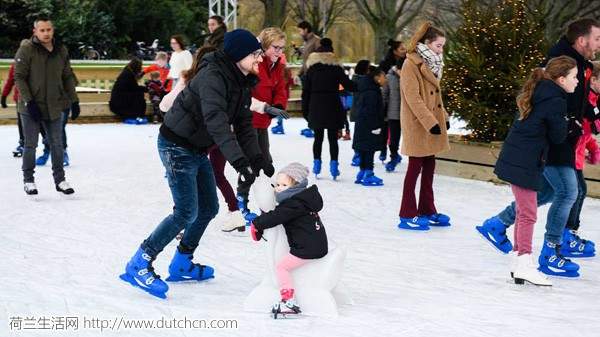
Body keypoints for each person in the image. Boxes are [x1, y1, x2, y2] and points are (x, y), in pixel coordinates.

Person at [121, 29, 274, 299]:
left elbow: (242, 124)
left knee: (208, 208)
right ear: (239, 55)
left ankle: (182, 262)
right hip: (176, 145)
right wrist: (238, 161)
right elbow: (216, 121)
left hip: (197, 147)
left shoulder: (240, 79)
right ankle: (139, 262)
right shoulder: (213, 77)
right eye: (255, 55)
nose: (260, 59)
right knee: (185, 212)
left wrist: (258, 160)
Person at [476, 19, 600, 276]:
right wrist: (572, 127)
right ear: (582, 40)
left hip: (563, 139)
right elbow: (553, 110)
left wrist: (589, 120)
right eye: (597, 39)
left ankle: (497, 224)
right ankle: (550, 252)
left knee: (547, 193)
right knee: (568, 191)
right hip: (554, 143)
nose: (599, 45)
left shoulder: (580, 65)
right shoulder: (561, 64)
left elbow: (577, 103)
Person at [494, 56, 576, 286]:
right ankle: (524, 263)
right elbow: (558, 137)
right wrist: (568, 122)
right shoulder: (555, 100)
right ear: (561, 79)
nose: (577, 82)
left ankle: (519, 261)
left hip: (519, 157)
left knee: (523, 211)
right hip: (524, 161)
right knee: (528, 213)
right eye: (574, 77)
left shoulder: (543, 91)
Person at [249, 162, 328, 316]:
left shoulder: (294, 204)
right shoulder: (303, 200)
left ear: (296, 186)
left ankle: (288, 301)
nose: (278, 188)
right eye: (277, 184)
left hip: (307, 249)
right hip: (315, 244)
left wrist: (256, 224)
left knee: (281, 267)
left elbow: (277, 216)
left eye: (283, 185)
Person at [14, 17, 78, 195]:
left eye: (49, 29)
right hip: (31, 106)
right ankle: (29, 180)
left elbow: (67, 76)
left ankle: (60, 180)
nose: (46, 33)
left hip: (54, 105)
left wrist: (74, 100)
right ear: (35, 31)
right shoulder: (26, 49)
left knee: (57, 144)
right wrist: (29, 101)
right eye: (42, 30)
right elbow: (19, 77)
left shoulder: (60, 50)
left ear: (53, 30)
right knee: (30, 144)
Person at [397, 22, 451, 231]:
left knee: (429, 167)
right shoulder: (411, 64)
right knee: (414, 169)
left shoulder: (433, 63)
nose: (441, 50)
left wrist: (443, 116)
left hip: (432, 122)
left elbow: (436, 96)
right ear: (426, 44)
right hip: (418, 124)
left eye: (442, 46)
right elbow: (413, 98)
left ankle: (427, 209)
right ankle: (407, 213)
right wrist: (430, 122)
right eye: (438, 46)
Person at [302, 38, 355, 180]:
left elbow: (305, 91)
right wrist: (363, 83)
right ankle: (334, 166)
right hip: (332, 104)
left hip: (316, 105)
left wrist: (305, 110)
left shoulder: (312, 69)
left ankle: (317, 164)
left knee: (318, 138)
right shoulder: (336, 68)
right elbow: (348, 85)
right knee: (333, 139)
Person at [564, 60, 600, 257]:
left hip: (576, 154)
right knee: (575, 192)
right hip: (569, 153)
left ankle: (569, 233)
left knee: (576, 191)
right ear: (593, 79)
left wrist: (593, 148)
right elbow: (585, 127)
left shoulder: (594, 99)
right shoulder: (586, 99)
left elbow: (588, 132)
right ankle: (566, 234)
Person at [353, 66, 387, 186]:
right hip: (369, 126)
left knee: (363, 149)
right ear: (377, 78)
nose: (385, 79)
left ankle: (362, 172)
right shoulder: (372, 92)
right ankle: (369, 174)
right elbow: (371, 110)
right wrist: (375, 126)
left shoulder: (366, 89)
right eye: (384, 77)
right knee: (369, 150)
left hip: (361, 125)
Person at [297, 21, 321, 138]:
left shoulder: (316, 41)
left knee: (310, 103)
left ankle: (313, 126)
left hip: (314, 78)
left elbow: (321, 58)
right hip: (306, 76)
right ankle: (311, 124)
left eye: (300, 30)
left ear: (306, 29)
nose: (300, 33)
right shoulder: (306, 43)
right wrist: (300, 73)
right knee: (305, 103)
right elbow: (305, 61)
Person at [382, 57, 405, 172]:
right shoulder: (389, 77)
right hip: (394, 113)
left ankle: (417, 160)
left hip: (409, 114)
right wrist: (383, 111)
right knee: (394, 138)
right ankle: (393, 157)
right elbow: (384, 95)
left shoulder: (412, 76)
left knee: (413, 138)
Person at [109, 58, 147, 123]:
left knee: (138, 94)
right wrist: (145, 89)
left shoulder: (128, 72)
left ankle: (136, 115)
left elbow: (132, 87)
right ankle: (134, 115)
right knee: (139, 95)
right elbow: (133, 87)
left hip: (120, 98)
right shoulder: (128, 74)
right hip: (119, 102)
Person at [349, 60, 371, 167]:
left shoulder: (356, 79)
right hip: (361, 111)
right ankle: (358, 153)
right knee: (359, 134)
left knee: (360, 133)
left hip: (359, 111)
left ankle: (359, 153)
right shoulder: (363, 81)